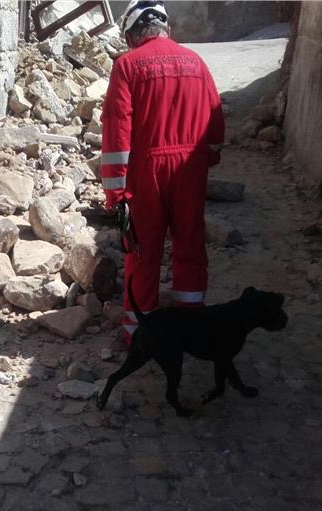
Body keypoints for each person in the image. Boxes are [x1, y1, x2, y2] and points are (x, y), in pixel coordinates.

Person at [101, 0, 225, 342]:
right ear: (167, 29)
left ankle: (139, 334)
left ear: (132, 35)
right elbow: (216, 119)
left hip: (146, 173)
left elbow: (116, 131)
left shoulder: (127, 66)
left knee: (142, 251)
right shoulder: (197, 62)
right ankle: (191, 327)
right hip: (190, 169)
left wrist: (115, 194)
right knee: (190, 244)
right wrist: (206, 159)